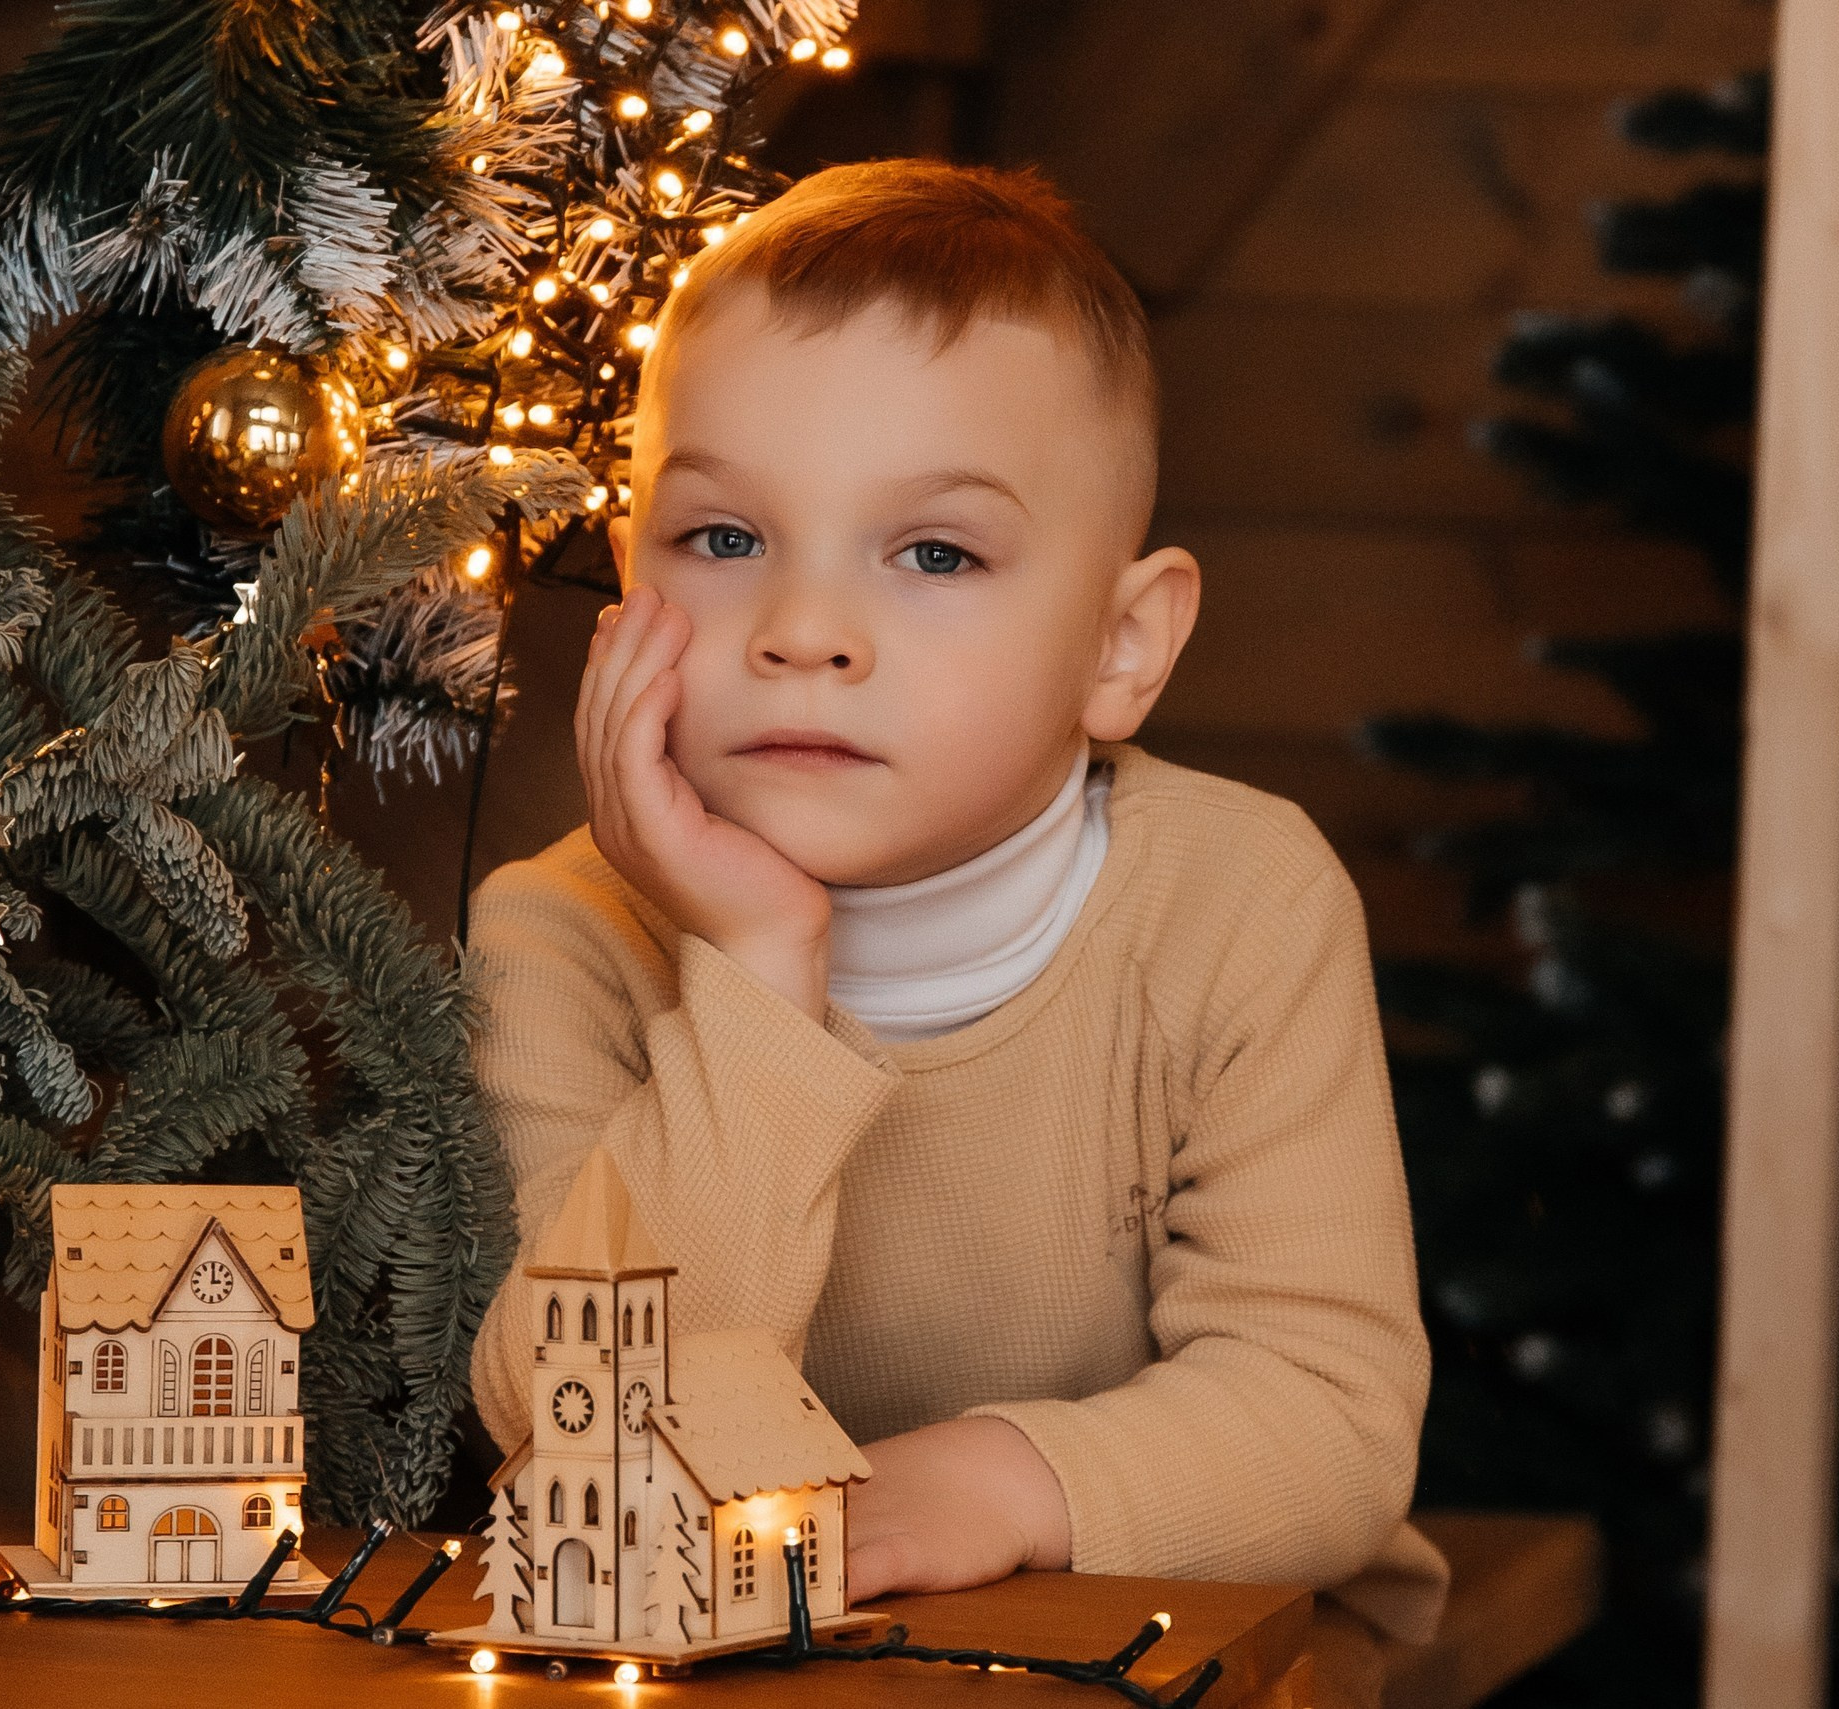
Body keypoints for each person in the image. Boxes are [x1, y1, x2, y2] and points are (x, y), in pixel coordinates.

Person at [465, 159, 1448, 1672]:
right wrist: (758, 965)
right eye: (723, 539)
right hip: (757, 1655)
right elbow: (580, 1416)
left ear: (1123, 646)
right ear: (627, 580)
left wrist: (1002, 1477)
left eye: (934, 553)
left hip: (1203, 1652)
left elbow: (1328, 1418)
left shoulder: (1242, 901)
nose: (801, 633)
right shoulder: (559, 932)